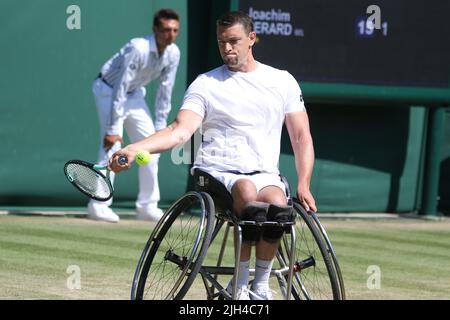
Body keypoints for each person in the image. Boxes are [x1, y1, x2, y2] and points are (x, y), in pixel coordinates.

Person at [109, 11, 317, 299]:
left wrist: (304, 182)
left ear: (252, 39)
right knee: (248, 196)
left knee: (279, 206)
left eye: (234, 41)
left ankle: (260, 287)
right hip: (217, 173)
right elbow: (179, 131)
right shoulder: (205, 84)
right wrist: (134, 148)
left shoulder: (282, 81)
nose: (228, 48)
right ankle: (240, 286)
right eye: (222, 42)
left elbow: (300, 135)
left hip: (264, 173)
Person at [88, 9, 181, 223]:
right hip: (108, 91)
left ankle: (147, 206)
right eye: (166, 30)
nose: (171, 34)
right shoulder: (138, 48)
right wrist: (113, 130)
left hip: (136, 96)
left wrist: (160, 129)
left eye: (175, 30)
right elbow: (120, 87)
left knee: (152, 147)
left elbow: (164, 92)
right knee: (111, 147)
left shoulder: (173, 53)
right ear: (155, 29)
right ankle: (98, 205)